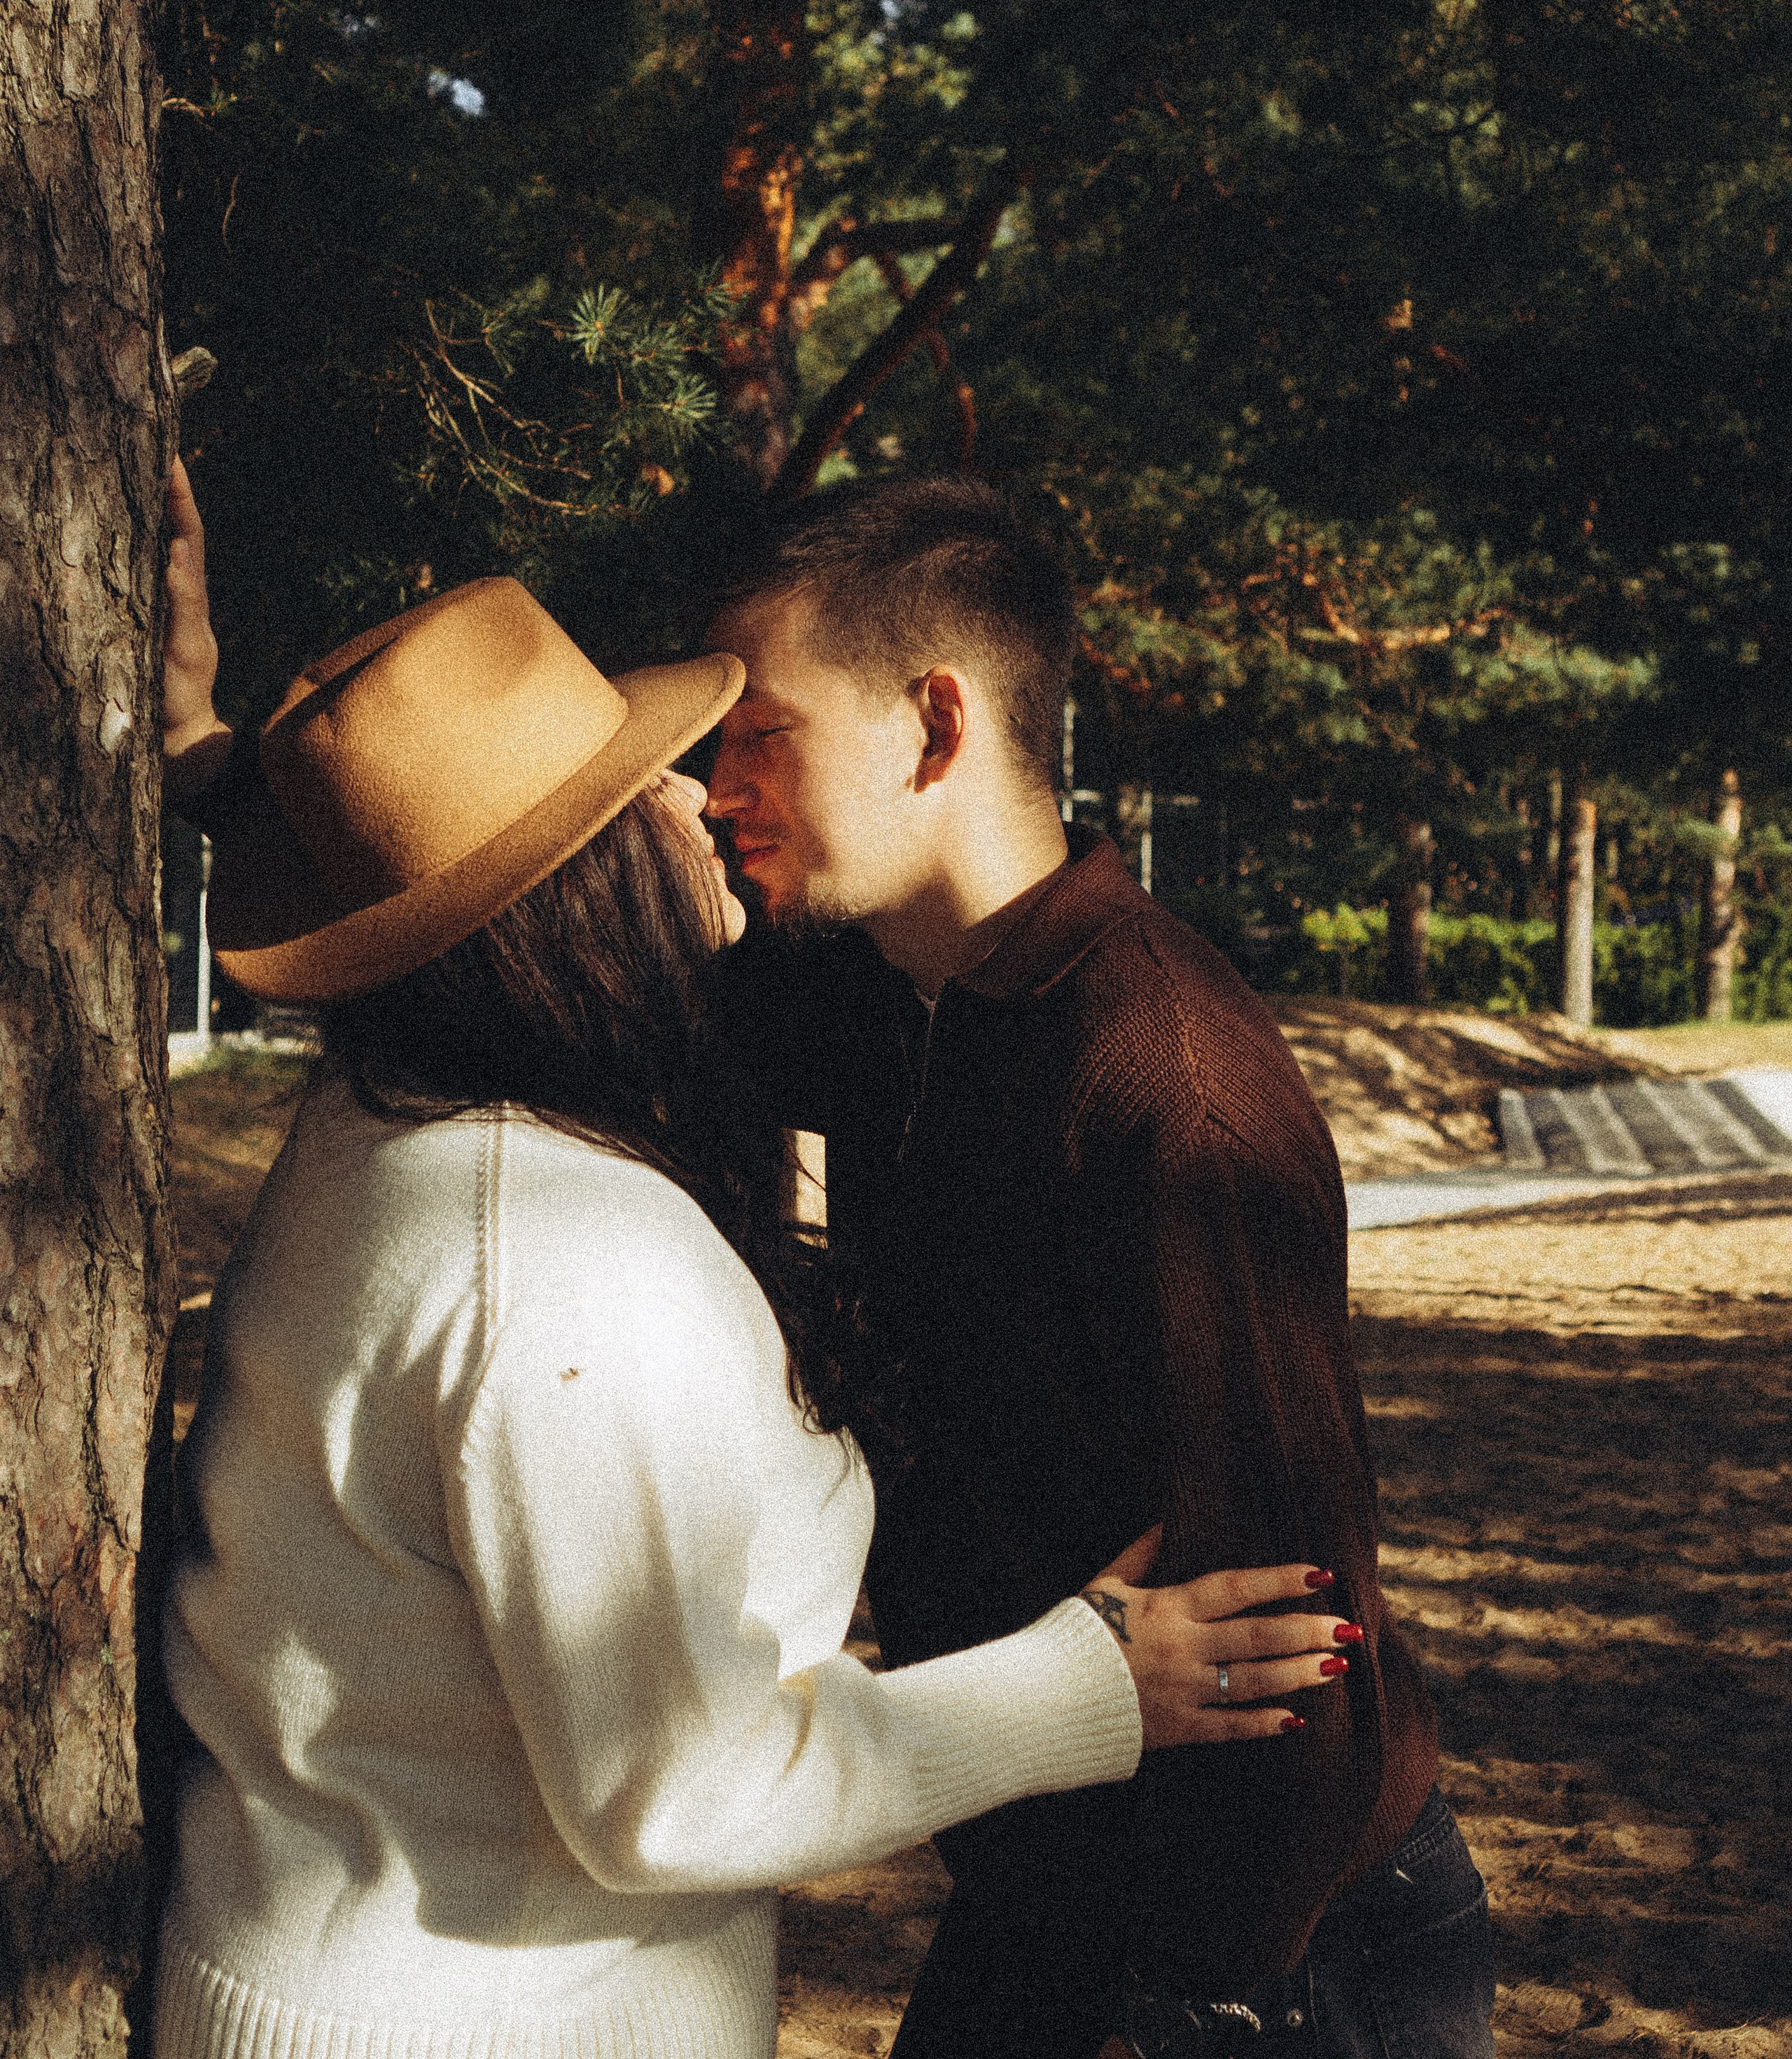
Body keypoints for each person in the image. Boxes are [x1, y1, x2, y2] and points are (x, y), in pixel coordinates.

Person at [155, 544, 1350, 2059]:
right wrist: (1085, 1682)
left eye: (732, 744)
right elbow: (684, 1783)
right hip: (489, 2013)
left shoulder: (386, 1120)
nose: (696, 802)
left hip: (364, 1978)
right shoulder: (563, 1260)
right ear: (571, 893)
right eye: (641, 779)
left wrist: (225, 779)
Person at [694, 477, 1495, 2059]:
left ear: (936, 724)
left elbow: (1299, 1633)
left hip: (1266, 1945)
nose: (714, 791)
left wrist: (1199, 1998)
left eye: (757, 734)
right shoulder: (898, 1007)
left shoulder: (1161, 1079)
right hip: (1060, 1881)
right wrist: (217, 767)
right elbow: (540, 964)